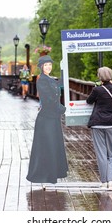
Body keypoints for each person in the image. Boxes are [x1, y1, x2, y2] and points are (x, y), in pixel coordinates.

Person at [26, 55, 68, 185]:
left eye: (50, 64)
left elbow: (60, 84)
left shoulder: (49, 79)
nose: (48, 67)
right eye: (46, 65)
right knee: (47, 147)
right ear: (41, 67)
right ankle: (44, 176)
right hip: (46, 119)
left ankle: (51, 174)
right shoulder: (42, 80)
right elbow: (49, 99)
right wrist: (62, 108)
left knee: (53, 145)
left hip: (53, 117)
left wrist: (63, 69)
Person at [86, 67, 112, 190]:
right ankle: (111, 182)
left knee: (101, 154)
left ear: (100, 77)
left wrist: (98, 87)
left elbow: (89, 101)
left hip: (97, 124)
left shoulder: (97, 90)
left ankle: (103, 182)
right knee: (111, 154)